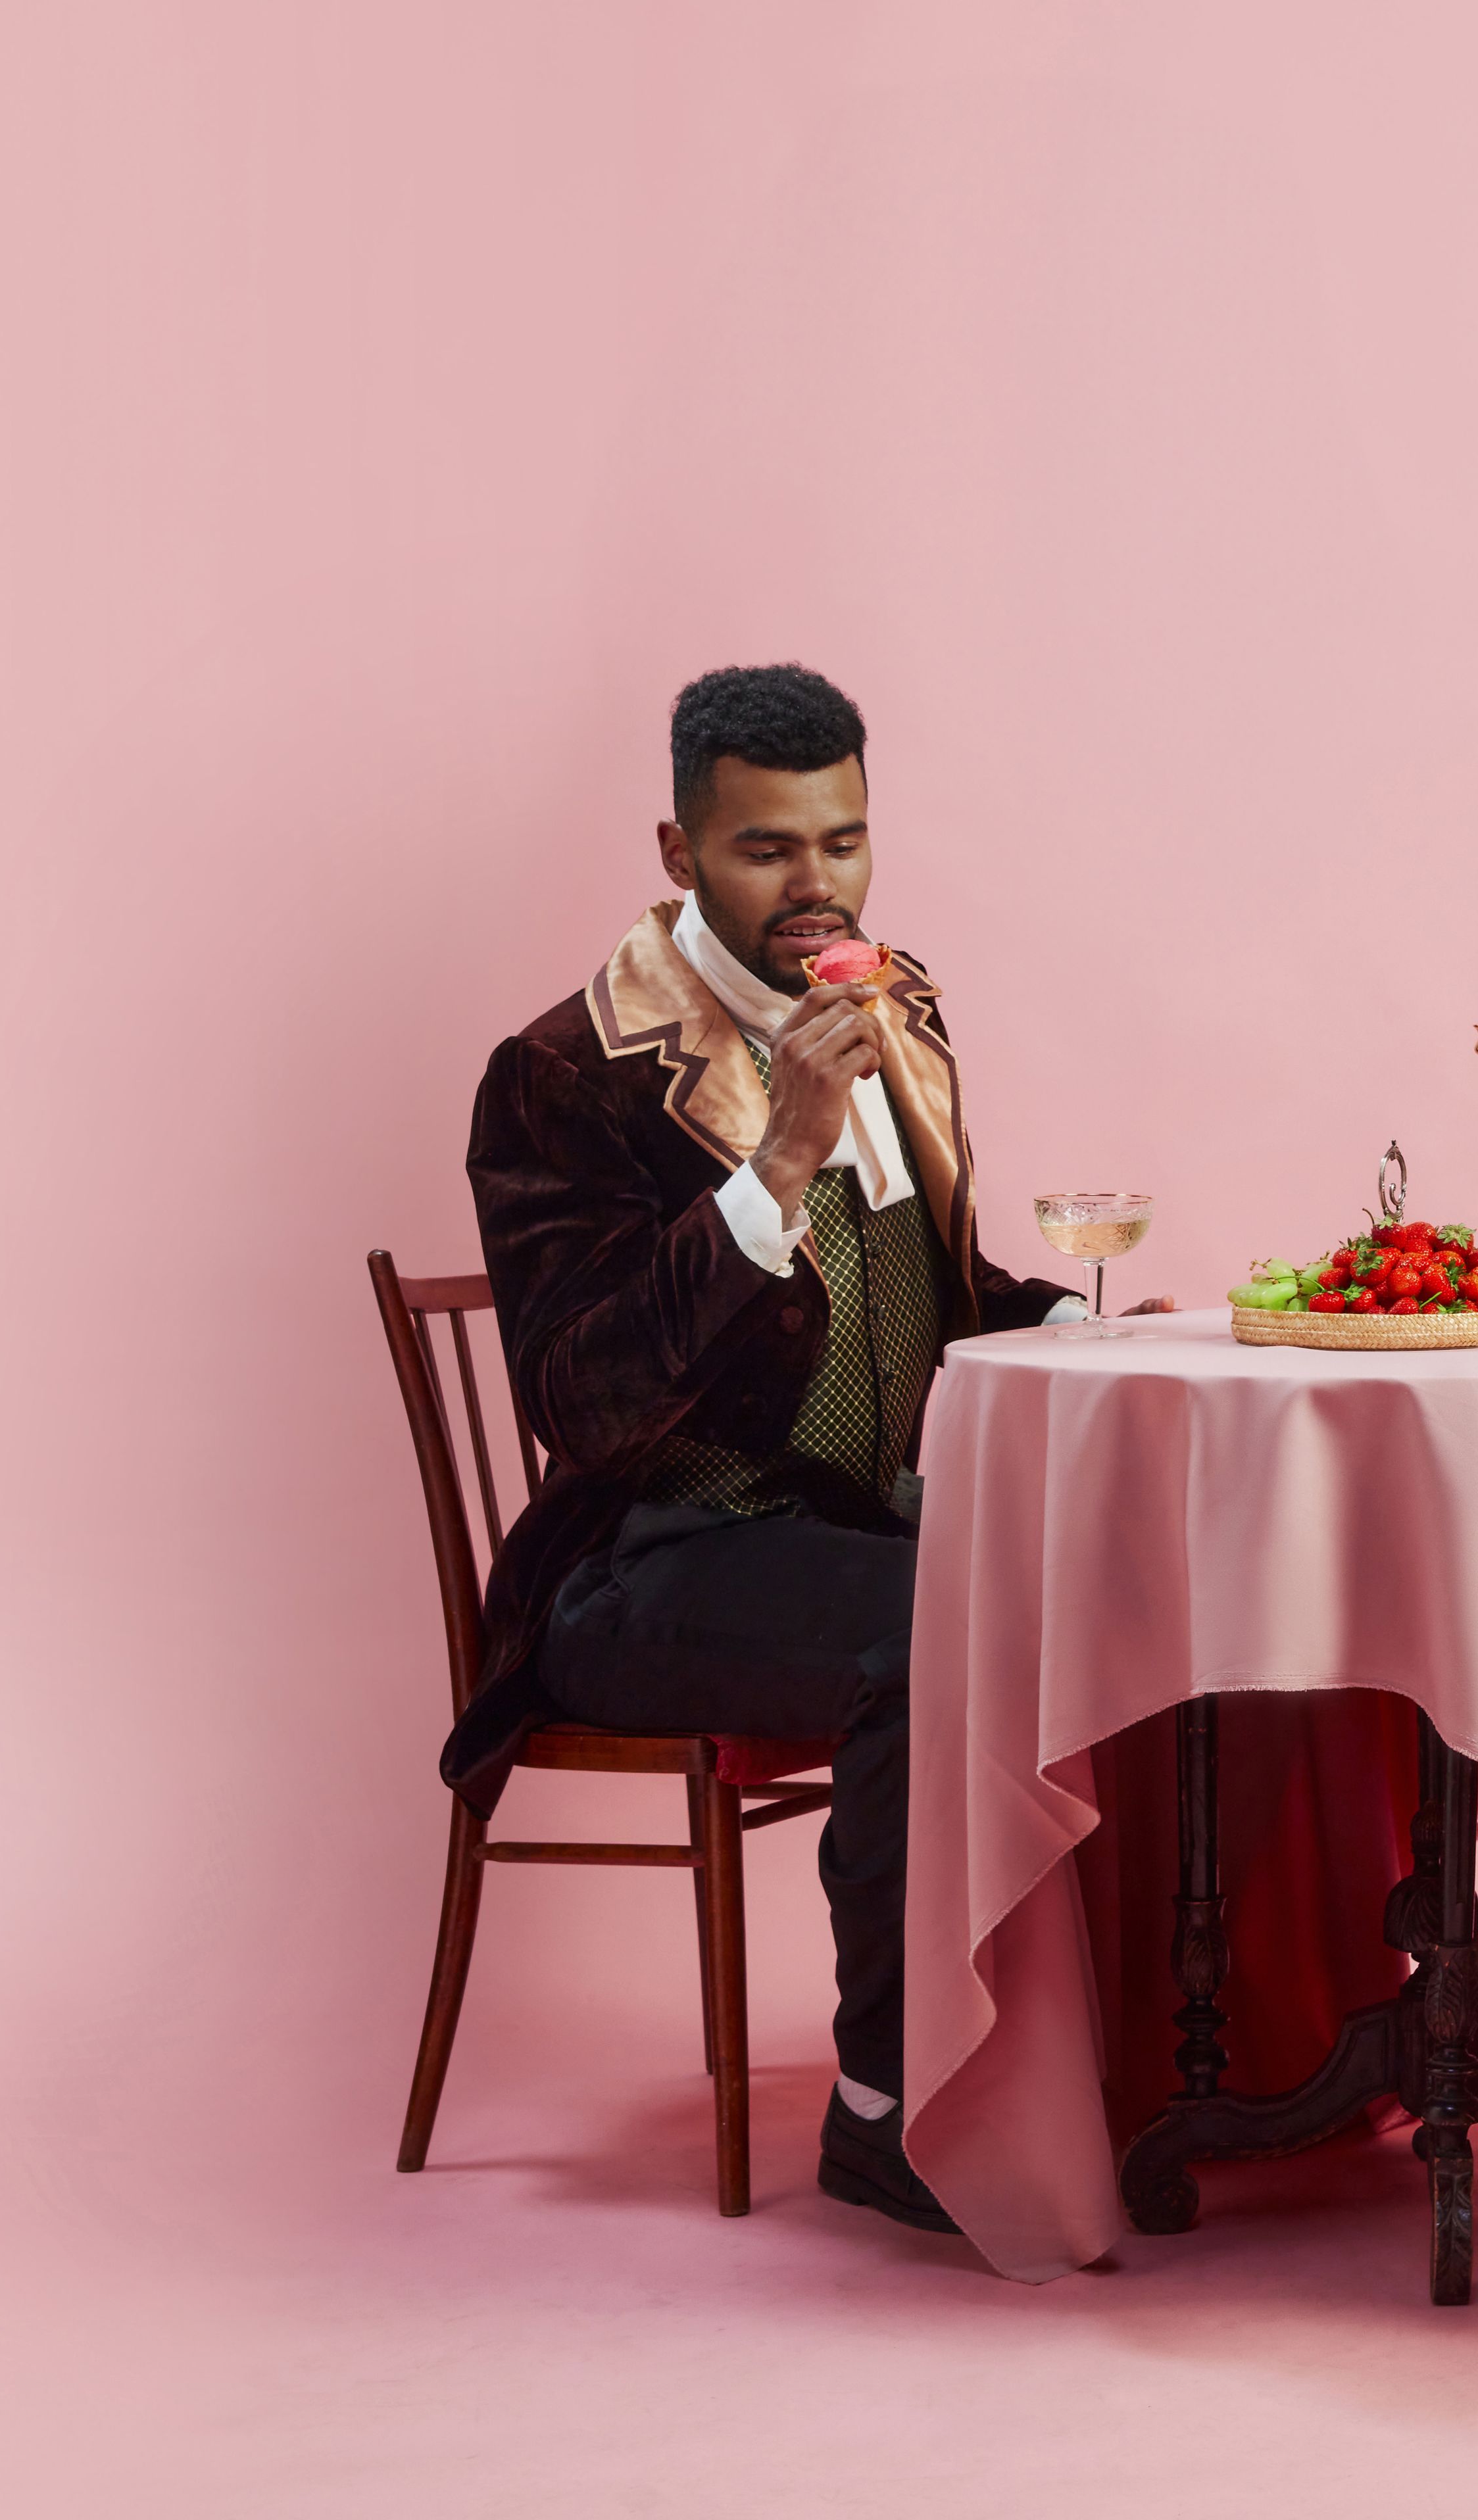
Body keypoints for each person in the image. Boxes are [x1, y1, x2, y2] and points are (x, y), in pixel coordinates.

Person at [439, 664, 1133, 2233]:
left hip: (856, 1525)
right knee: (925, 1630)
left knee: (1134, 1582)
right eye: (765, 849)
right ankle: (890, 2107)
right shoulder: (566, 1074)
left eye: (842, 839)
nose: (814, 884)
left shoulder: (903, 1006)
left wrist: (1084, 1325)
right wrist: (777, 1169)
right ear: (679, 854)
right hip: (644, 1569)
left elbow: (932, 1294)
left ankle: (1149, 2052)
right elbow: (580, 1396)